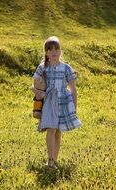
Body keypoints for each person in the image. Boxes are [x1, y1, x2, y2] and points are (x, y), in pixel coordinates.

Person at [32, 36, 82, 169]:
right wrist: (38, 93)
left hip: (63, 102)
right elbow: (36, 84)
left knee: (58, 132)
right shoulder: (43, 68)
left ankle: (54, 159)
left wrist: (74, 107)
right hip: (49, 102)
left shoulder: (66, 68)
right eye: (50, 50)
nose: (54, 52)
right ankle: (50, 161)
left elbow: (73, 89)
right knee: (51, 129)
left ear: (60, 51)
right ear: (46, 53)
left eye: (56, 49)